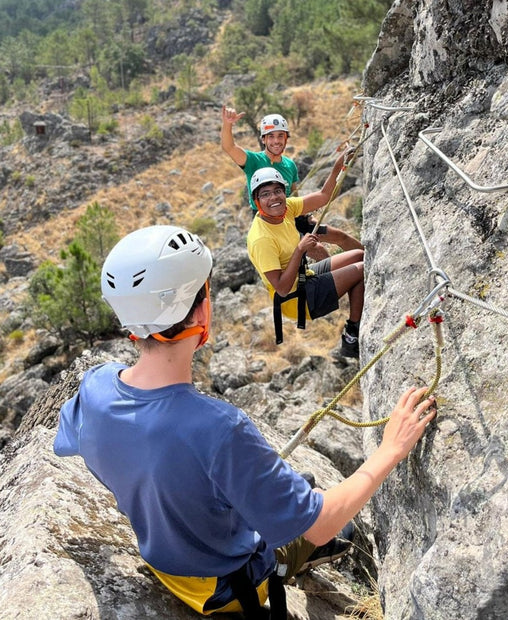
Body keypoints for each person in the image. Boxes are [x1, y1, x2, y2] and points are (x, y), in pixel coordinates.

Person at [53, 224, 437, 618]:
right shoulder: (219, 428)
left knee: (288, 487)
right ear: (202, 308)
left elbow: (76, 443)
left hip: (164, 561)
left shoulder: (96, 385)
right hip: (227, 586)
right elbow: (319, 524)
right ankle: (284, 562)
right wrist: (391, 449)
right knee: (338, 526)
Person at [246, 150, 364, 358]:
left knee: (358, 255)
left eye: (277, 191)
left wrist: (339, 165)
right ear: (256, 201)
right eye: (265, 194)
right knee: (363, 270)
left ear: (284, 193)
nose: (273, 197)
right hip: (296, 300)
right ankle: (352, 336)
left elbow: (324, 196)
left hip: (304, 278)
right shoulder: (261, 239)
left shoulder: (287, 208)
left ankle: (353, 306)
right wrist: (300, 250)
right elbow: (282, 288)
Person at [221, 106, 363, 260]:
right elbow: (229, 147)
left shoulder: (289, 165)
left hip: (291, 213)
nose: (276, 141)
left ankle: (366, 261)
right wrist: (228, 124)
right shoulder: (253, 161)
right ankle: (337, 278)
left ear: (286, 138)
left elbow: (294, 194)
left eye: (280, 136)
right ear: (264, 139)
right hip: (270, 220)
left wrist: (304, 216)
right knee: (318, 250)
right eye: (271, 136)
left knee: (340, 236)